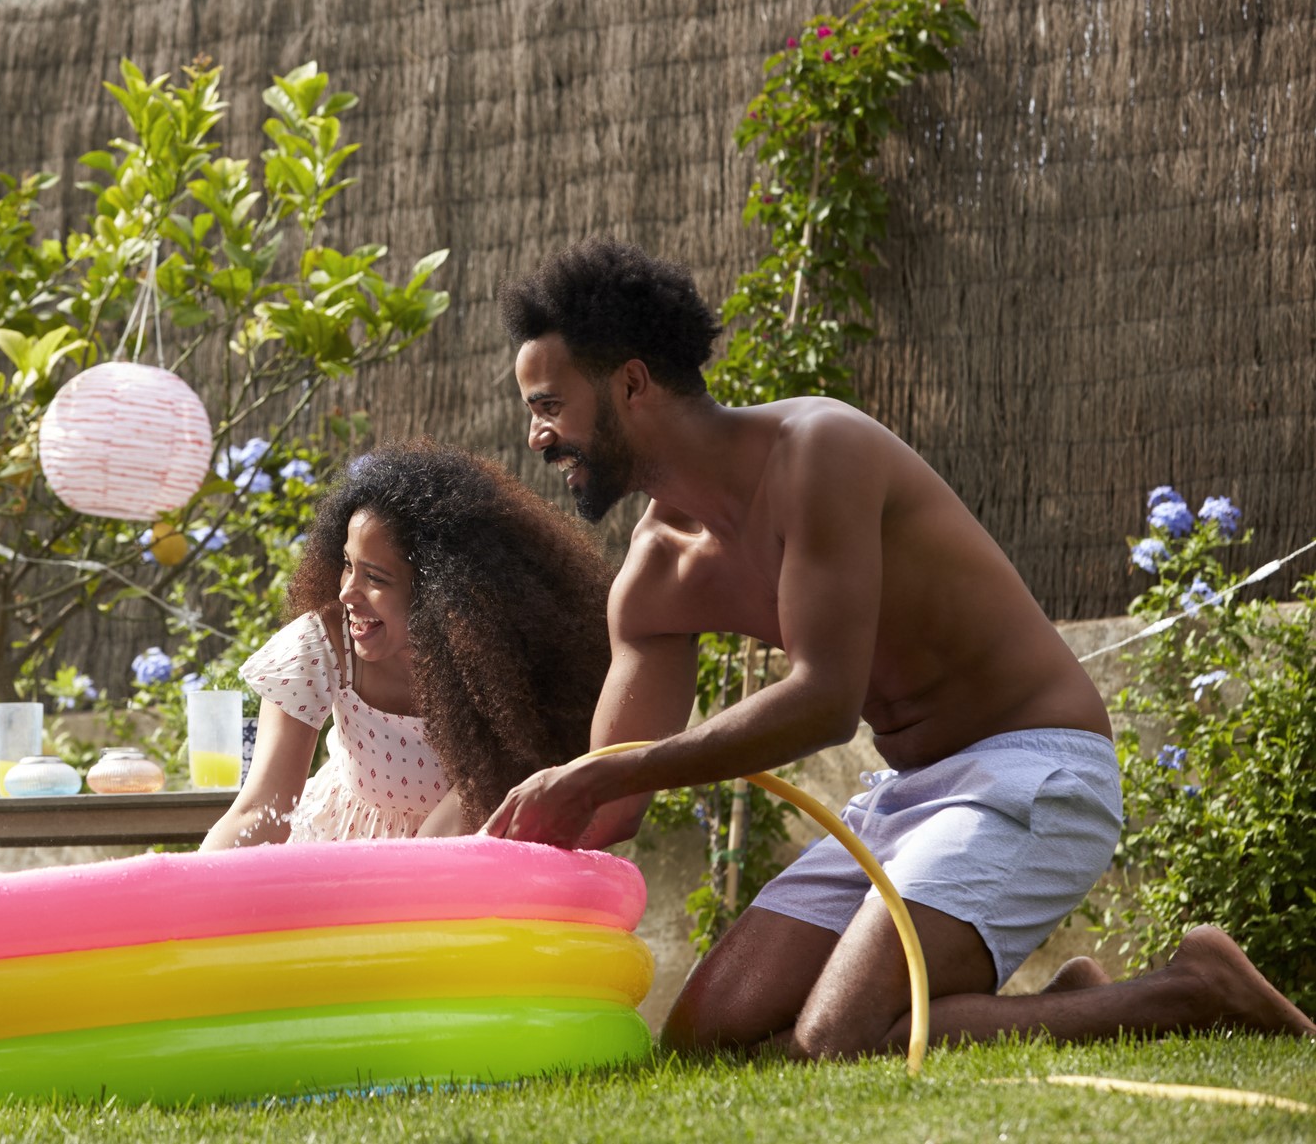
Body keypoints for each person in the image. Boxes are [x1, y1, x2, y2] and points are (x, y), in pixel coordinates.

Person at [480, 236, 1315, 1054]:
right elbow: (610, 804)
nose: (536, 438)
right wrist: (485, 853)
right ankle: (1076, 1006)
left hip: (1032, 769)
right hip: (906, 797)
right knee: (706, 1041)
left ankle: (1194, 989)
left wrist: (610, 769)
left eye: (549, 406)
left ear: (631, 383)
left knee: (837, 1037)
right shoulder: (654, 578)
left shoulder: (816, 450)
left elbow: (824, 700)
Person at [201, 439, 613, 849]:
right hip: (338, 847)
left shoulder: (501, 667)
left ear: (442, 592)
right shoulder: (325, 643)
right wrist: (192, 889)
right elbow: (260, 810)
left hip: (458, 861)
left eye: (376, 578)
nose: (347, 593)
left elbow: (443, 844)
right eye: (347, 565)